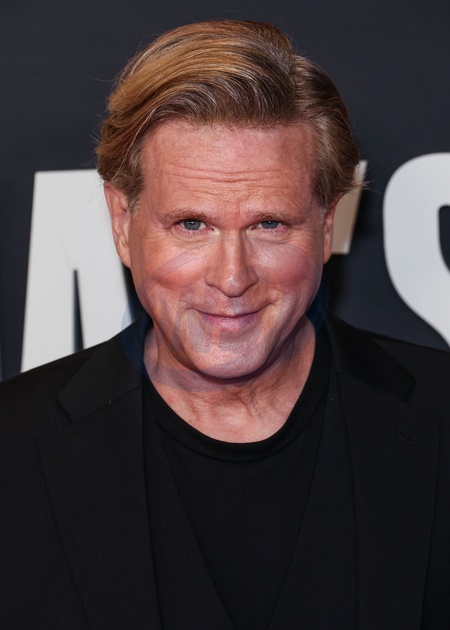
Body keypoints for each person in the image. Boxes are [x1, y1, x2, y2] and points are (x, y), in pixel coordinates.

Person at [1, 19, 449, 630]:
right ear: (122, 222)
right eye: (192, 224)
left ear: (326, 224)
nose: (232, 277)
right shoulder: (12, 448)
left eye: (269, 224)